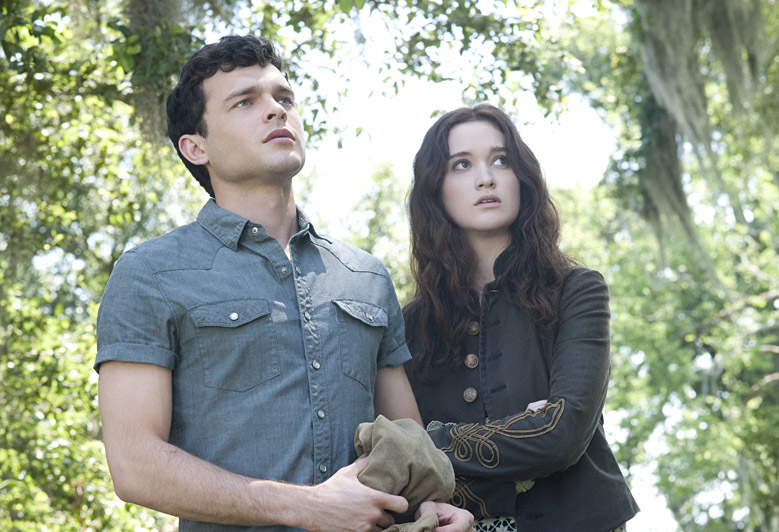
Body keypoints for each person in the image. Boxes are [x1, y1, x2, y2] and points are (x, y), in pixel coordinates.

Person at [94, 34, 473, 532]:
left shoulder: (365, 276)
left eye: (283, 98)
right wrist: (308, 506)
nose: (275, 110)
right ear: (196, 146)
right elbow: (136, 466)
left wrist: (430, 506)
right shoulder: (151, 274)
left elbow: (406, 442)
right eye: (245, 101)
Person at [402, 104, 640, 532]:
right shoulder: (410, 326)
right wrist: (529, 425)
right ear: (435, 189)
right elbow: (404, 469)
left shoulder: (576, 290)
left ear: (521, 178)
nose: (486, 177)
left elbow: (562, 437)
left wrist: (429, 440)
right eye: (461, 165)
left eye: (501, 160)